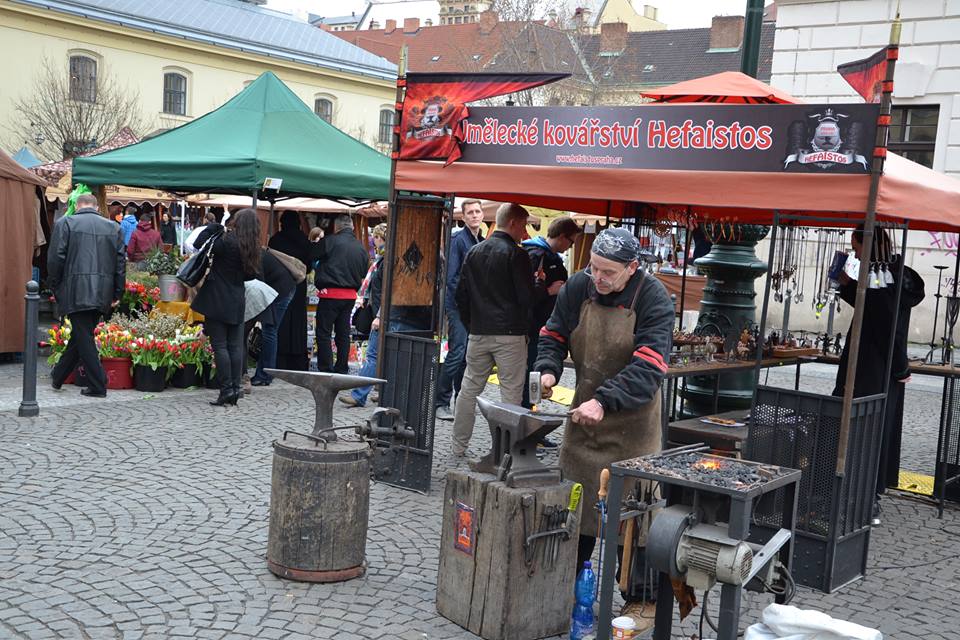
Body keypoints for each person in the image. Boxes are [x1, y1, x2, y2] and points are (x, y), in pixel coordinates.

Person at [535, 227, 674, 631]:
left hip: (632, 429)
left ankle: (641, 599)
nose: (599, 278)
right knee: (576, 512)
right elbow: (554, 332)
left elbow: (649, 368)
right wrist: (547, 368)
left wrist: (604, 400)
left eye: (608, 272)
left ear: (632, 268)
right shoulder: (579, 286)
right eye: (594, 267)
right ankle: (567, 584)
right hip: (583, 427)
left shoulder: (653, 299)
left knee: (634, 521)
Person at [833, 225, 924, 520]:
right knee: (871, 430)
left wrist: (901, 367)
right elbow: (872, 308)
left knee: (865, 432)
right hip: (878, 366)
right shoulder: (891, 275)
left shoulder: (881, 276)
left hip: (872, 368)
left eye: (857, 246)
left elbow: (885, 326)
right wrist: (848, 285)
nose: (855, 251)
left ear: (868, 244)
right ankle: (862, 494)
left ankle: (864, 497)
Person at [451, 203, 534, 456]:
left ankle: (458, 445)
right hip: (510, 334)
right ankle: (504, 450)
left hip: (478, 331)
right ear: (513, 224)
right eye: (523, 225)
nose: (525, 231)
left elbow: (460, 295)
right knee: (510, 394)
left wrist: (471, 324)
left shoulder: (474, 251)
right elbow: (525, 298)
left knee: (469, 389)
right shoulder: (517, 254)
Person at [47, 194, 126, 398]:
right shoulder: (113, 227)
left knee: (83, 337)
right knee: (80, 335)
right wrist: (118, 292)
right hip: (102, 291)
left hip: (75, 289)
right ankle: (58, 376)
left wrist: (55, 287)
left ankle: (98, 384)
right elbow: (120, 264)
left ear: (77, 205)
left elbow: (56, 259)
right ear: (97, 207)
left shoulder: (65, 223)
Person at [192, 208, 261, 406]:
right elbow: (251, 275)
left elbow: (199, 244)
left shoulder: (226, 240)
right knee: (235, 346)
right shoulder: (253, 247)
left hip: (217, 298)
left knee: (220, 346)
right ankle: (236, 388)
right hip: (237, 298)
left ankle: (226, 390)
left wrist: (213, 226)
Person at [521, 216, 581, 409]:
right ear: (562, 236)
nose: (571, 246)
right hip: (534, 326)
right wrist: (550, 291)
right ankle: (525, 418)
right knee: (532, 372)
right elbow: (524, 294)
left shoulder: (551, 257)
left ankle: (530, 416)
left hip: (544, 323)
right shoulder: (536, 255)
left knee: (535, 373)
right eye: (571, 241)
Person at [434, 200, 485, 421]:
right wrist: (462, 305)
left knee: (466, 355)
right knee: (457, 352)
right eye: (470, 212)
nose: (474, 215)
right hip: (457, 305)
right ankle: (440, 402)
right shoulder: (458, 239)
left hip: (472, 307)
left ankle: (459, 399)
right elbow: (451, 277)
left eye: (477, 211)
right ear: (463, 217)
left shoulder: (480, 240)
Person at [313, 214, 369, 373]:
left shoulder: (330, 241)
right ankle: (341, 367)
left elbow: (312, 255)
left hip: (330, 293)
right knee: (343, 333)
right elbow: (364, 271)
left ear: (336, 227)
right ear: (351, 227)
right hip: (350, 296)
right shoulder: (361, 248)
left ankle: (326, 368)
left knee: (324, 333)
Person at [340, 223, 388, 407]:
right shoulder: (381, 260)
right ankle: (383, 392)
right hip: (379, 311)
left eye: (376, 237)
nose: (374, 241)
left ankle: (359, 395)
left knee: (373, 356)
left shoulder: (384, 260)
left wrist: (379, 315)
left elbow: (386, 291)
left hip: (381, 315)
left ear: (380, 238)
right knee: (383, 356)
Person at [268, 212, 317, 370]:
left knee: (280, 321)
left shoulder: (276, 239)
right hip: (299, 283)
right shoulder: (304, 240)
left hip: (279, 284)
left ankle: (279, 358)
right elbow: (309, 266)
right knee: (297, 320)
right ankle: (297, 358)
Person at [249, 246, 299, 386]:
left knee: (270, 331)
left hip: (281, 291)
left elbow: (259, 285)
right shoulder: (256, 252)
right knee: (270, 331)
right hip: (281, 288)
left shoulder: (254, 255)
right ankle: (265, 373)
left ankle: (265, 375)